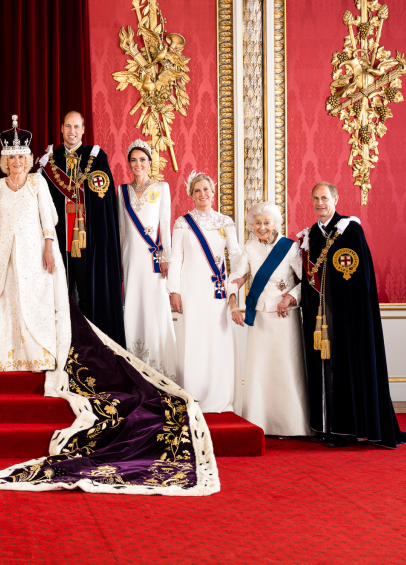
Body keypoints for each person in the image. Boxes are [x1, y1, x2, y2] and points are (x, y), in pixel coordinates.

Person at [297, 182, 406, 448]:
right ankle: (324, 427)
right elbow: (307, 278)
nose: (319, 203)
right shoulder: (310, 236)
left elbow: (361, 280)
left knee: (344, 367)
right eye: (315, 198)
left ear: (336, 199)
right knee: (322, 369)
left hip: (346, 317)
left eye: (324, 198)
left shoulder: (350, 231)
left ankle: (346, 430)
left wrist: (345, 311)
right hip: (317, 317)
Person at [0, 117, 69, 373]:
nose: (17, 162)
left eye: (21, 157)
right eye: (12, 158)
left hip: (35, 252)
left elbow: (49, 221)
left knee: (36, 299)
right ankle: (6, 356)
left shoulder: (38, 182)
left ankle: (38, 355)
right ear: (5, 161)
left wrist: (48, 249)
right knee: (7, 300)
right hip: (4, 253)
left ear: (28, 158)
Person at [39, 111, 125, 345]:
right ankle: (62, 344)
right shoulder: (50, 161)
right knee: (60, 296)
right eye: (68, 126)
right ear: (61, 129)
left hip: (88, 240)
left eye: (76, 127)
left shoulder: (96, 158)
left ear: (83, 130)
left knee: (87, 296)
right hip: (58, 240)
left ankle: (89, 345)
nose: (72, 131)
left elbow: (104, 201)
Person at [228, 202, 310, 437]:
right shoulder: (250, 247)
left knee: (286, 367)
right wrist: (234, 305)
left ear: (275, 223)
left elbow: (307, 281)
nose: (262, 227)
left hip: (285, 316)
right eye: (257, 223)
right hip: (262, 315)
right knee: (261, 369)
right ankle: (260, 422)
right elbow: (237, 277)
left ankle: (293, 425)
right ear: (251, 226)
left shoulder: (290, 247)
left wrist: (291, 298)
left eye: (266, 222)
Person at [167, 172, 241, 413]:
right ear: (191, 195)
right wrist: (174, 290)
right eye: (197, 190)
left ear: (213, 191)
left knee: (216, 341)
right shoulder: (182, 222)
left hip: (217, 292)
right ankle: (193, 394)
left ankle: (218, 395)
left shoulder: (225, 222)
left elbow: (237, 256)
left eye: (206, 189)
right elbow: (176, 258)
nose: (203, 194)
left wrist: (237, 282)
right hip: (191, 290)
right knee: (193, 340)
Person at [117, 139, 176, 380]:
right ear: (129, 164)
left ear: (150, 163)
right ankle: (134, 363)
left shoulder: (161, 188)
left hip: (153, 260)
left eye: (142, 160)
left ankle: (159, 367)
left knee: (154, 306)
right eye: (134, 160)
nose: (138, 164)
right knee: (132, 303)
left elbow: (166, 225)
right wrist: (120, 260)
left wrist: (166, 257)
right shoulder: (122, 191)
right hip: (131, 258)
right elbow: (122, 229)